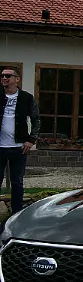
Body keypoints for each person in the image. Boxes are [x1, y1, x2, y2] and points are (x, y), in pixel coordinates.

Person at [0, 67, 40, 214]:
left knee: (17, 182)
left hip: (19, 147)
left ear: (17, 79)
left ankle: (16, 214)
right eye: (2, 75)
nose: (4, 78)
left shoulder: (26, 98)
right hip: (0, 147)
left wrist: (31, 140)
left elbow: (36, 120)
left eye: (8, 76)